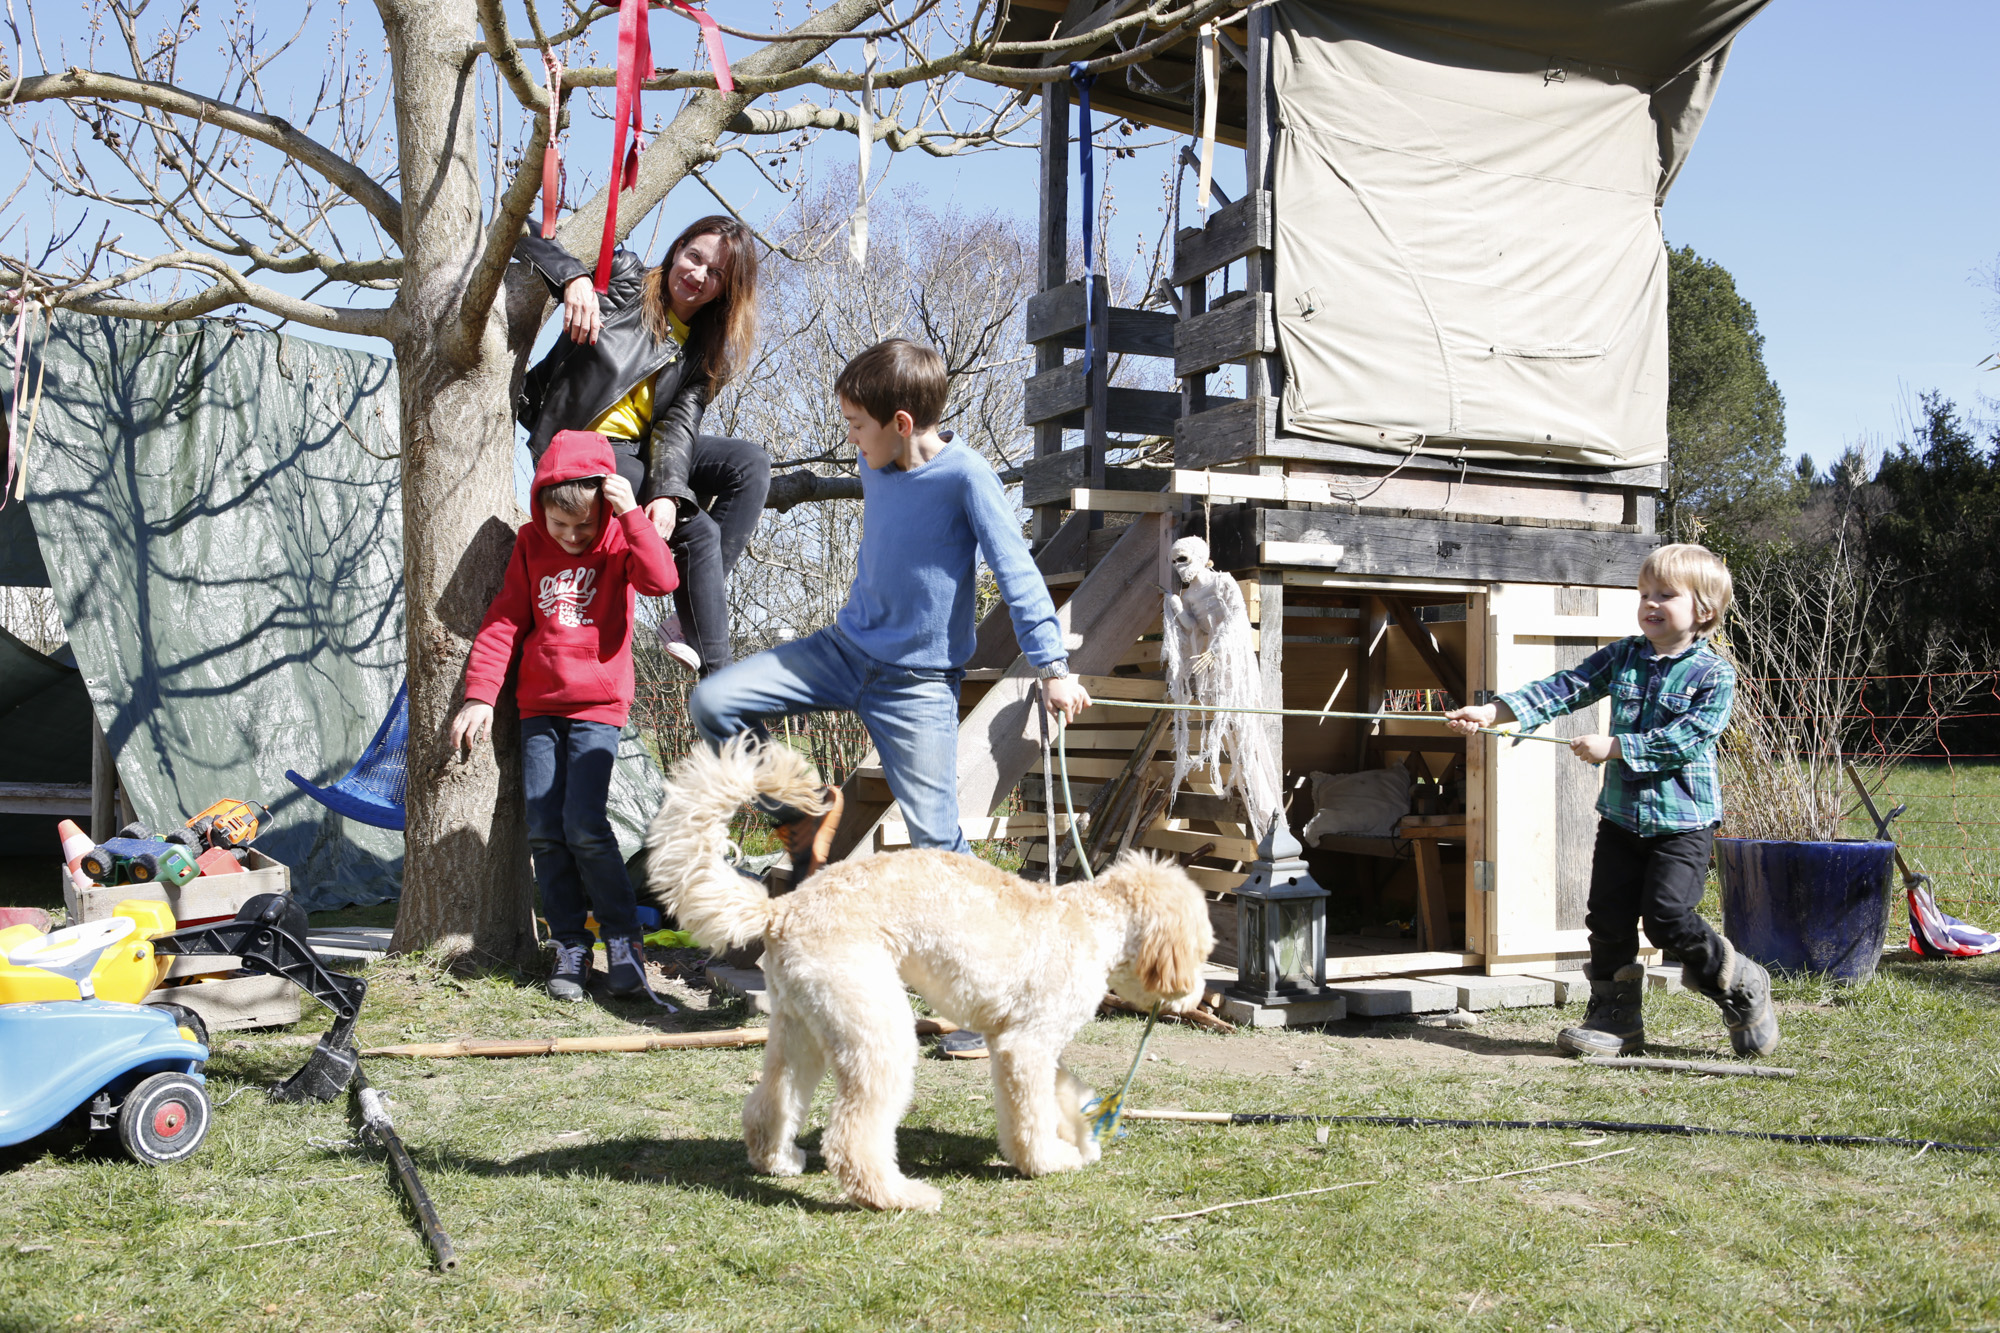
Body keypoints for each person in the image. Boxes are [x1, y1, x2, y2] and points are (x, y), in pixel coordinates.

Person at [689, 337, 1092, 888]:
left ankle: (982, 959)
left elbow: (1016, 571)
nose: (850, 437)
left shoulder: (967, 477)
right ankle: (800, 812)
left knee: (939, 845)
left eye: (857, 424)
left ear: (901, 423)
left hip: (917, 685)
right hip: (843, 651)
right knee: (714, 702)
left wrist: (1052, 670)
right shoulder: (874, 457)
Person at [1444, 543, 1778, 1058]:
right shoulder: (1624, 655)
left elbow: (1688, 738)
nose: (1650, 602)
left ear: (1704, 610)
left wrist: (1617, 747)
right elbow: (1568, 686)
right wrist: (1495, 712)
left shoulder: (1715, 675)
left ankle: (1738, 983)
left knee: (1667, 918)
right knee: (1607, 917)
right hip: (1622, 818)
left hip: (1682, 823)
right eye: (1644, 592)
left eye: (1666, 594)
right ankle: (1616, 1020)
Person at [451, 430, 678, 1003]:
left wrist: (631, 516)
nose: (572, 537)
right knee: (547, 832)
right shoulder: (530, 544)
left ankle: (625, 943)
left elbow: (662, 580)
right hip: (538, 707)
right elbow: (505, 621)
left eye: (583, 525)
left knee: (584, 825)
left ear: (604, 506)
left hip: (598, 704)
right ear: (541, 508)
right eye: (561, 526)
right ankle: (570, 944)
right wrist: (480, 694)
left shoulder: (619, 539)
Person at [514, 216, 768, 676]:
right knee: (699, 530)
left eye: (715, 274)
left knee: (749, 464)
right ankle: (720, 678)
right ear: (678, 247)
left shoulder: (703, 351)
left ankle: (686, 619)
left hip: (637, 449)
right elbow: (526, 227)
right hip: (578, 441)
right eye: (695, 258)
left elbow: (677, 426)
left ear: (725, 290)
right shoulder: (626, 279)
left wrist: (669, 492)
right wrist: (573, 278)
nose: (698, 275)